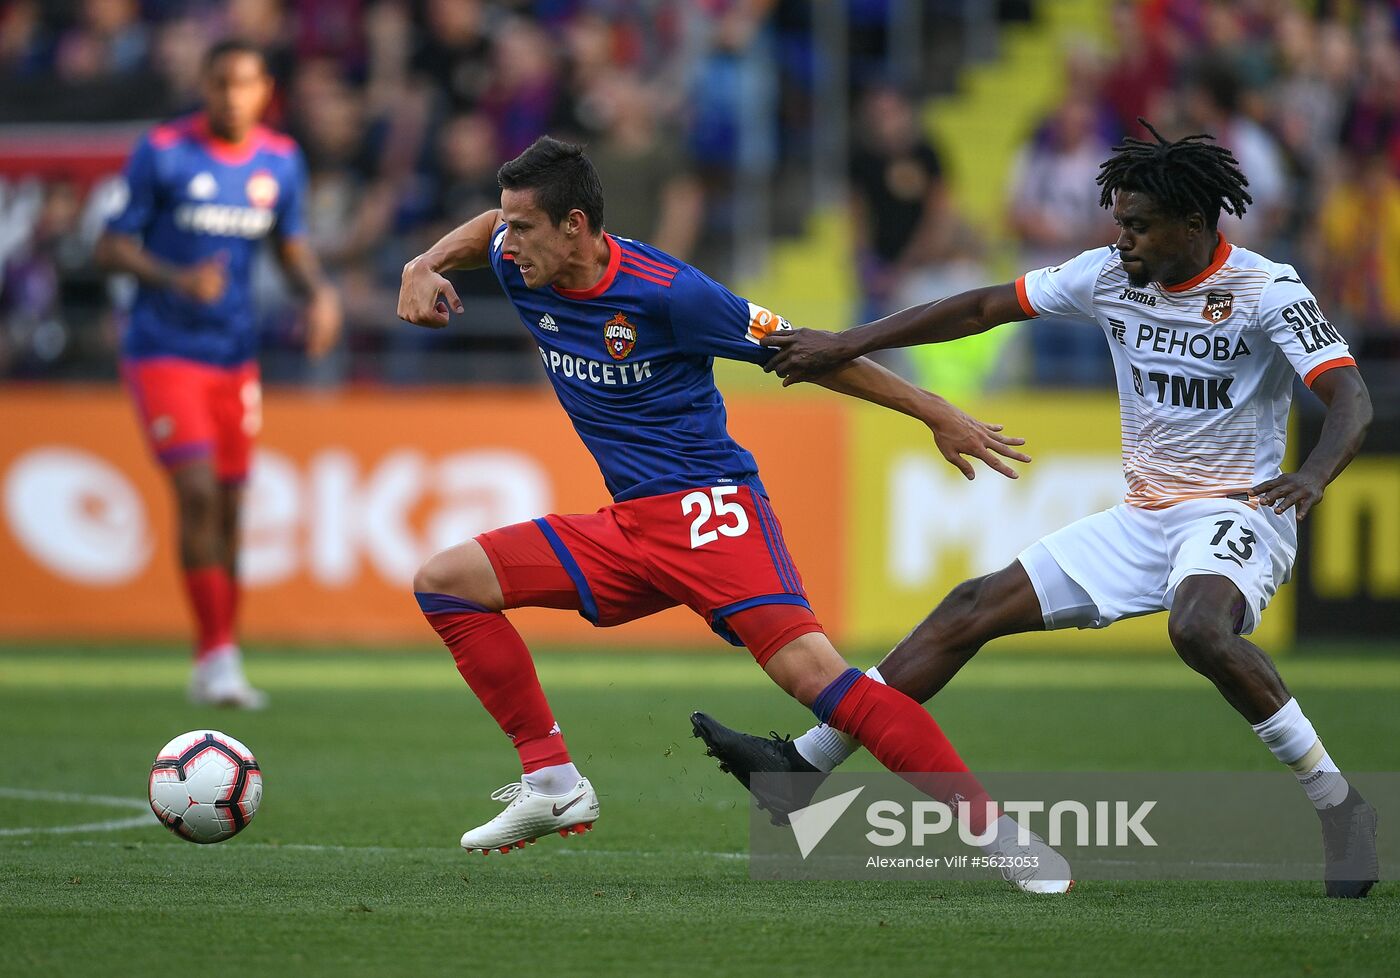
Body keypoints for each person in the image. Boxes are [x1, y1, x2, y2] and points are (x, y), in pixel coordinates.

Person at [691, 121, 1379, 899]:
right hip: (1143, 516)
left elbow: (1349, 395)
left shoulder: (1267, 290)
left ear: (1195, 225)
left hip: (1240, 509)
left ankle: (1339, 807)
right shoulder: (1108, 275)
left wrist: (1315, 476)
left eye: (1138, 227)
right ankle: (801, 767)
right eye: (1118, 222)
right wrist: (847, 344)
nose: (1121, 241)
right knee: (969, 607)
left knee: (1196, 625)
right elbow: (985, 305)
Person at [396, 137, 1066, 890]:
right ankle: (552, 782)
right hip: (630, 527)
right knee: (446, 582)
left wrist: (933, 410)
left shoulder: (671, 294)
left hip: (711, 513)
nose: (505, 243)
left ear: (575, 226)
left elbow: (810, 352)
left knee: (824, 684)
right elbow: (484, 224)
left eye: (522, 229)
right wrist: (421, 264)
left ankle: (1000, 838)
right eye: (507, 228)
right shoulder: (518, 255)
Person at [96, 39, 341, 708]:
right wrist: (174, 277)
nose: (231, 96)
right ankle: (215, 654)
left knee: (232, 506)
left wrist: (317, 294)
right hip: (164, 349)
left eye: (244, 84)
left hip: (236, 358)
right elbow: (111, 245)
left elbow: (289, 247)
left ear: (265, 91)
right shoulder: (164, 150)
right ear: (204, 87)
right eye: (220, 83)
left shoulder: (280, 161)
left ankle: (220, 656)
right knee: (198, 492)